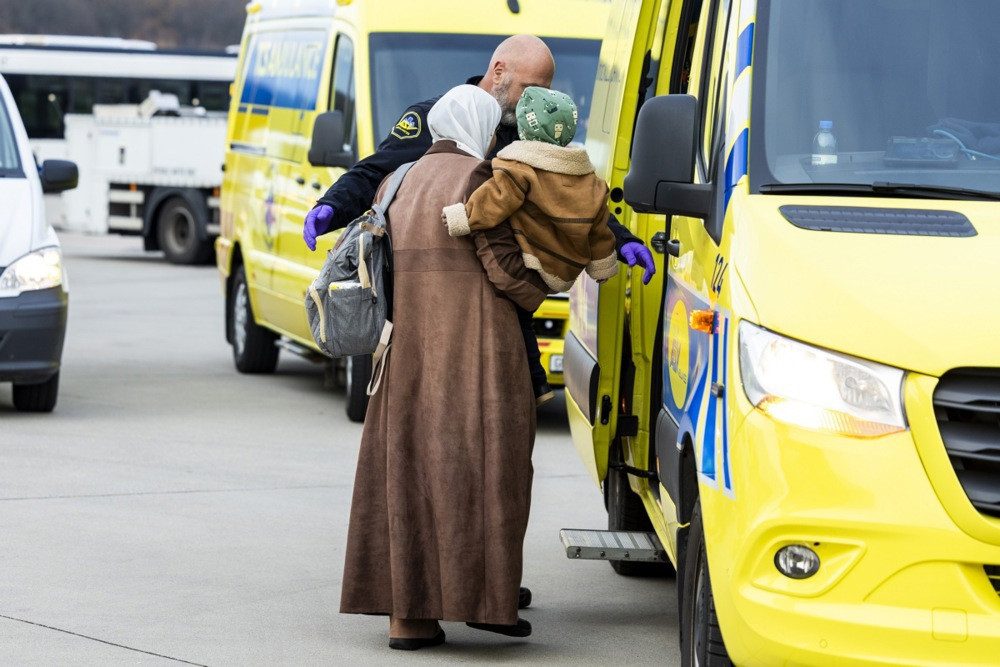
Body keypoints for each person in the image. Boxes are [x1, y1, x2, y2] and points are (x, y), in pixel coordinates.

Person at [302, 35, 657, 405]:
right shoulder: (438, 118)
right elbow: (374, 172)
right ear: (498, 72)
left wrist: (621, 239)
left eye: (544, 93)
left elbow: (572, 195)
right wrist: (332, 207)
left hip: (501, 292)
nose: (535, 102)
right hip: (432, 295)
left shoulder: (533, 133)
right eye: (530, 89)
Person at [340, 84, 543, 650]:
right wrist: (545, 286)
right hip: (480, 351)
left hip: (404, 353)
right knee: (489, 472)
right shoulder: (482, 179)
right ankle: (487, 604)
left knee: (405, 476)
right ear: (480, 124)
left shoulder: (397, 179)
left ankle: (410, 620)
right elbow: (503, 270)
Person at [442, 86, 617, 402]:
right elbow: (600, 231)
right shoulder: (590, 180)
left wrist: (461, 218)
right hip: (567, 268)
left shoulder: (519, 168)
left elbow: (494, 202)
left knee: (517, 316)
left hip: (535, 260)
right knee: (525, 321)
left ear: (524, 128)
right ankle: (539, 384)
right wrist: (602, 267)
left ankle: (534, 383)